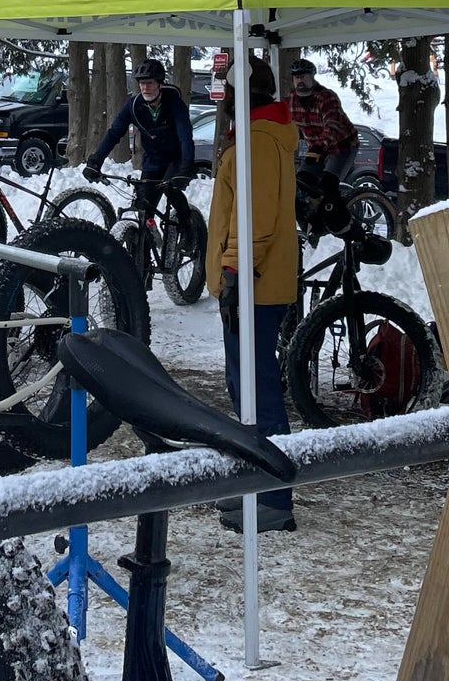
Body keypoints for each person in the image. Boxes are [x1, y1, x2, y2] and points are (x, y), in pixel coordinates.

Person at [205, 55, 299, 533]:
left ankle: (274, 498)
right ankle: (256, 486)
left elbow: (255, 222)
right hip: (253, 282)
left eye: (226, 91)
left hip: (254, 285)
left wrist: (234, 272)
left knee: (257, 392)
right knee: (246, 388)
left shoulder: (259, 143)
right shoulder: (257, 137)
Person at [82, 57, 197, 241]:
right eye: (142, 83)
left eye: (149, 83)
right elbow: (114, 133)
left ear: (159, 83)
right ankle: (143, 255)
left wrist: (186, 166)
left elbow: (185, 137)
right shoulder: (134, 106)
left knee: (171, 189)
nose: (145, 88)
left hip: (175, 159)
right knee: (143, 207)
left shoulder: (174, 104)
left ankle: (188, 227)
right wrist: (96, 160)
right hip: (152, 160)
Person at [287, 58, 359, 179]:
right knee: (302, 180)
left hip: (342, 146)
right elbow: (288, 124)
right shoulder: (291, 100)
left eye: (303, 76)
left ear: (312, 78)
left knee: (329, 182)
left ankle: (333, 197)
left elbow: (332, 126)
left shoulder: (326, 97)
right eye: (296, 77)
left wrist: (318, 147)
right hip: (316, 147)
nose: (299, 80)